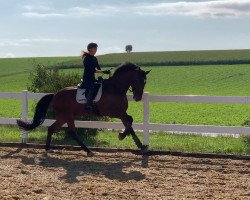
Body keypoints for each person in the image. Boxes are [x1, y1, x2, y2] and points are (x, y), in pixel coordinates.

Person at [80, 42, 110, 111]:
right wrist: (103, 71)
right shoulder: (86, 59)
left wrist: (106, 71)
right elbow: (93, 70)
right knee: (91, 89)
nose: (96, 50)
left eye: (96, 49)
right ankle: (88, 105)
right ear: (90, 49)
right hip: (87, 79)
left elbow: (98, 68)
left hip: (92, 78)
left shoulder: (94, 58)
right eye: (94, 49)